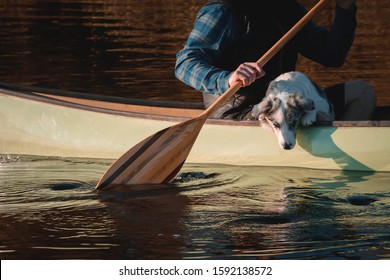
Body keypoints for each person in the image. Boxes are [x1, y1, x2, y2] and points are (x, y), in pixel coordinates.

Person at [175, 0, 376, 120]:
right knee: (288, 108)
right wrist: (228, 78)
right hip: (240, 113)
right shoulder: (224, 10)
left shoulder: (287, 9)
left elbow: (332, 55)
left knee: (362, 93)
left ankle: (334, 155)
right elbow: (185, 63)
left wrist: (345, 7)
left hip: (286, 104)